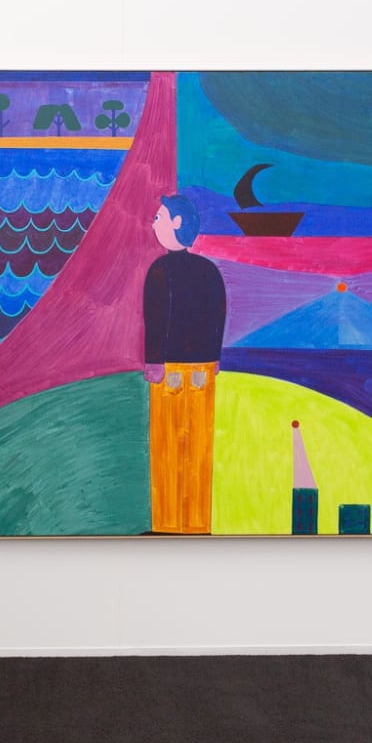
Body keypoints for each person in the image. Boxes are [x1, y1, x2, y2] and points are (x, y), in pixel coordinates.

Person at [143, 195, 227, 534]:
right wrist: (214, 357)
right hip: (203, 370)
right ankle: (196, 524)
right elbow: (217, 317)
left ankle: (168, 523)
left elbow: (155, 320)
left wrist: (153, 361)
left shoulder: (159, 271)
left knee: (168, 444)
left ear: (177, 223)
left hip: (169, 369)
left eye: (159, 217)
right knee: (198, 444)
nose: (153, 223)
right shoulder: (209, 271)